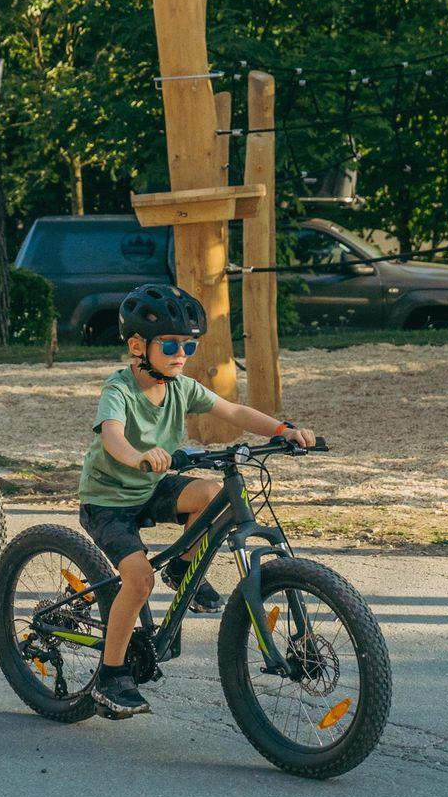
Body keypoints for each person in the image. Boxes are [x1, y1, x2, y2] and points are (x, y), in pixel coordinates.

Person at [80, 282, 315, 719]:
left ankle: (183, 567)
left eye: (188, 346)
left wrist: (283, 430)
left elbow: (233, 411)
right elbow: (112, 435)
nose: (181, 354)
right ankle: (110, 676)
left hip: (150, 487)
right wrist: (138, 456)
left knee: (211, 493)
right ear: (137, 346)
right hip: (109, 500)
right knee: (138, 581)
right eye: (170, 345)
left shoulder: (182, 387)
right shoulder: (119, 390)